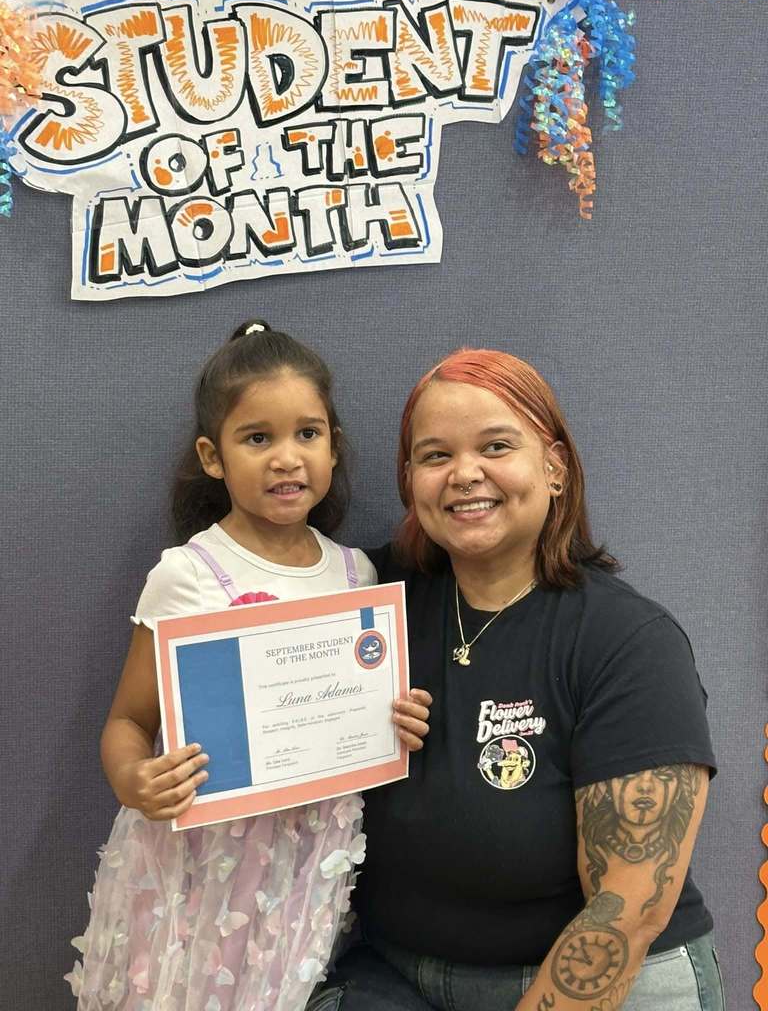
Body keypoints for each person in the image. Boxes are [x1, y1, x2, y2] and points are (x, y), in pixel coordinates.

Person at [318, 348, 723, 1011]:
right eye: (435, 455)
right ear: (410, 480)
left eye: (496, 446)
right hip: (399, 972)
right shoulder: (362, 600)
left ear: (555, 467)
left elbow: (624, 914)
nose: (464, 475)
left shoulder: (627, 642)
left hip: (609, 979)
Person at [65, 321, 431, 1011]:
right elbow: (127, 719)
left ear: (334, 448)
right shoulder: (188, 574)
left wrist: (395, 720)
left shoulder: (358, 576)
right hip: (196, 866)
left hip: (303, 866)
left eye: (307, 435)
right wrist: (135, 780)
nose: (286, 459)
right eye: (257, 438)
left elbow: (363, 706)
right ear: (213, 455)